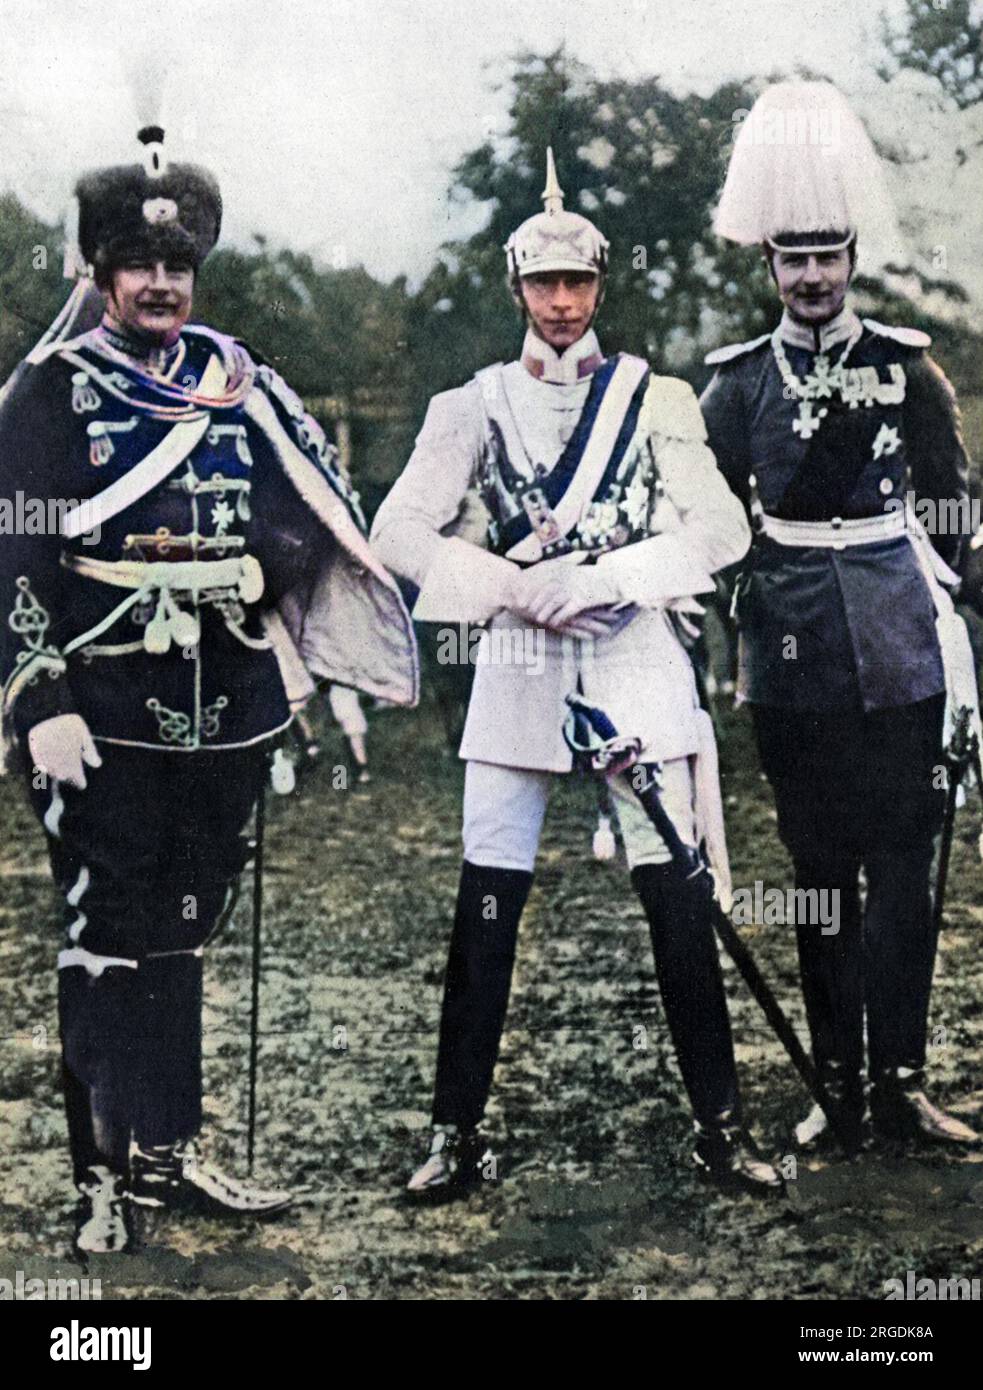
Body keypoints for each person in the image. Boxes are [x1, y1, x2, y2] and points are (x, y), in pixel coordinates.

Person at [0, 127, 418, 1253]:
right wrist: (40, 701)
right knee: (105, 933)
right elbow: (16, 553)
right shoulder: (50, 393)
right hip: (106, 705)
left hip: (227, 701)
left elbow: (313, 509)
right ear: (98, 272)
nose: (160, 285)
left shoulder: (243, 384)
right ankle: (100, 1177)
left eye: (178, 267)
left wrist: (271, 572)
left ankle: (170, 1149)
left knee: (185, 928)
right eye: (137, 266)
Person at [371, 150, 781, 1198]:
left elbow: (721, 528)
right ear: (517, 288)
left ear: (599, 288)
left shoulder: (656, 399)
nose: (560, 303)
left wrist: (608, 572)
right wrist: (508, 587)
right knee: (488, 894)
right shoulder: (469, 404)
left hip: (627, 652)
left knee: (673, 895)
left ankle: (720, 1128)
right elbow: (398, 532)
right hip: (515, 660)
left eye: (578, 284)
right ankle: (454, 1132)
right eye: (543, 285)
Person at [700, 82, 978, 1152]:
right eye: (789, 257)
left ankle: (903, 1081)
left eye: (825, 254)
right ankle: (837, 1085)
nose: (809, 276)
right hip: (792, 663)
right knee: (817, 881)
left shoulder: (904, 370)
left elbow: (950, 505)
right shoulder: (732, 388)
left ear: (850, 255)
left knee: (903, 876)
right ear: (766, 265)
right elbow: (712, 520)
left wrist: (973, 582)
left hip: (902, 654)